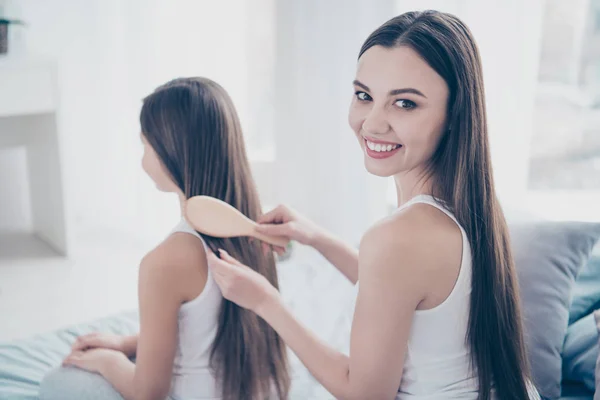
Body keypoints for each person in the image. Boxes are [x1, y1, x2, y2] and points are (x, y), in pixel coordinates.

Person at [209, 11, 540, 399]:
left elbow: (363, 394)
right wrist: (315, 237)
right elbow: (405, 292)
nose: (372, 124)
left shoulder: (399, 237)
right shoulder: (470, 207)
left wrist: (266, 302)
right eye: (364, 96)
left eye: (405, 104)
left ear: (455, 113)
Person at [40, 77, 290, 400]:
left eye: (144, 144)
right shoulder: (254, 229)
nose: (142, 155)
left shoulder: (164, 263)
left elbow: (149, 393)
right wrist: (127, 344)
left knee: (56, 383)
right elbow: (206, 329)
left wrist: (109, 361)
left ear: (171, 153)